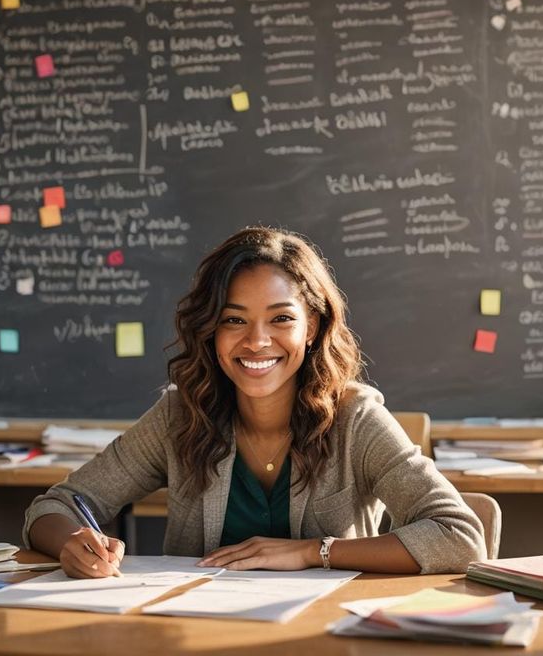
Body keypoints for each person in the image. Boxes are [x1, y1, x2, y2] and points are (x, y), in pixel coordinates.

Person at [25, 226, 485, 575]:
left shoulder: (356, 418)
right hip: (197, 635)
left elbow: (460, 537)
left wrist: (313, 551)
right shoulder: (182, 414)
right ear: (211, 331)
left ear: (313, 329)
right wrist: (72, 541)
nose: (257, 341)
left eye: (281, 318)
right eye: (234, 320)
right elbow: (55, 505)